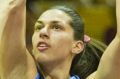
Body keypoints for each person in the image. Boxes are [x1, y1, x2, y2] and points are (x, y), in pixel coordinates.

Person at [0, 0, 120, 79]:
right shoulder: (18, 74)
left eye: (56, 27)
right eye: (38, 27)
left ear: (77, 46)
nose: (42, 32)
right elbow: (12, 6)